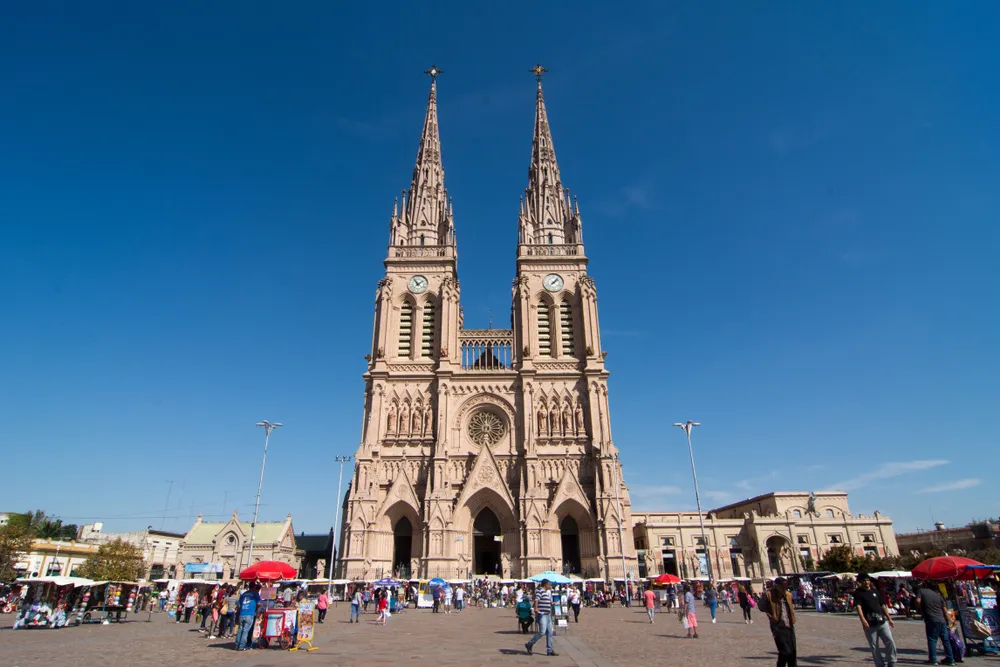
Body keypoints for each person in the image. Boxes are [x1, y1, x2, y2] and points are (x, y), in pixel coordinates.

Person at [853, 573, 897, 667]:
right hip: (870, 623)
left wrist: (889, 618)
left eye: (867, 580)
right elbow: (858, 607)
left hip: (882, 621)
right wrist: (863, 620)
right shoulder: (858, 593)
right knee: (874, 646)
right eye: (864, 581)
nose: (866, 582)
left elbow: (883, 605)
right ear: (860, 582)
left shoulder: (875, 591)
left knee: (890, 641)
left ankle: (892, 661)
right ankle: (880, 664)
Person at [916, 580, 955, 665]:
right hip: (942, 620)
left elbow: (918, 601)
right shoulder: (939, 596)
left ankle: (933, 660)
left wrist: (923, 608)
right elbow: (945, 610)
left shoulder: (922, 591)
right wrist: (950, 622)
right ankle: (950, 659)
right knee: (946, 640)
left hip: (931, 619)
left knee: (932, 640)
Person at [764, 577, 797, 667]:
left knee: (792, 652)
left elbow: (791, 609)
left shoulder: (788, 595)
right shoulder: (769, 595)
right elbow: (761, 606)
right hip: (778, 627)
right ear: (777, 586)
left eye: (785, 585)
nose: (784, 587)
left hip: (789, 626)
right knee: (785, 651)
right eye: (782, 585)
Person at [525, 579, 558, 657]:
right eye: (549, 584)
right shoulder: (540, 591)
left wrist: (551, 603)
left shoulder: (545, 593)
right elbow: (536, 600)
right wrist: (536, 608)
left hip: (548, 615)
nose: (550, 586)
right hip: (542, 614)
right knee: (542, 632)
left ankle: (549, 650)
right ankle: (529, 644)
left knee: (549, 632)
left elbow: (544, 601)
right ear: (545, 584)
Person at [235, 584, 261, 651]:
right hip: (250, 614)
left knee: (240, 629)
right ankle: (242, 646)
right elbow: (259, 603)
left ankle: (237, 645)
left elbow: (238, 604)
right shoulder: (255, 594)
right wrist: (256, 609)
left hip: (242, 613)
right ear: (254, 587)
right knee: (245, 630)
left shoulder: (243, 594)